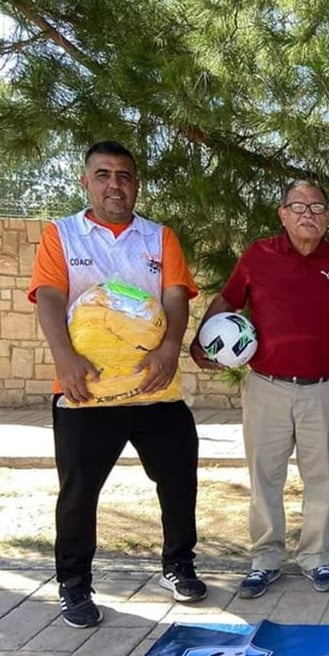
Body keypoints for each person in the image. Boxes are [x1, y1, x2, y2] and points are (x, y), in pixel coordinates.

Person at [28, 140, 207, 628]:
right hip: (87, 390)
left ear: (136, 185)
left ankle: (179, 565)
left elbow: (175, 295)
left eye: (124, 176)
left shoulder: (158, 237)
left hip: (155, 387)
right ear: (85, 181)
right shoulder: (61, 234)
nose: (114, 184)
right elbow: (48, 298)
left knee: (177, 478)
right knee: (79, 491)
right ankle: (74, 586)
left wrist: (171, 346)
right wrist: (64, 361)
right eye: (103, 174)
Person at [190, 180, 329, 599]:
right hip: (266, 387)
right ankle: (265, 559)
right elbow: (227, 300)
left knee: (320, 476)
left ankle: (315, 557)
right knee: (264, 475)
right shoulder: (258, 255)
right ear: (282, 214)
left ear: (328, 217)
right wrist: (201, 341)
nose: (308, 214)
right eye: (298, 206)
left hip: (325, 389)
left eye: (317, 207)